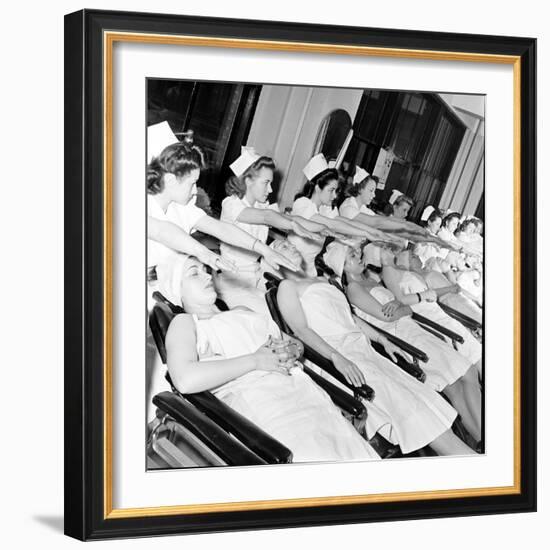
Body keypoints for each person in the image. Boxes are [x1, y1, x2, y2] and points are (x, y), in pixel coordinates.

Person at [157, 254, 380, 463]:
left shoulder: (242, 311)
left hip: (307, 396)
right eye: (194, 273)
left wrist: (292, 350)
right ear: (177, 289)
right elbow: (185, 379)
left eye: (206, 270)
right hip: (268, 410)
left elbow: (294, 343)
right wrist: (255, 360)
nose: (207, 275)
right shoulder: (186, 323)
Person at [267, 242, 476, 455]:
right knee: (411, 407)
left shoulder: (323, 281)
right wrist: (337, 358)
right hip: (341, 360)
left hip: (365, 350)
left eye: (289, 244)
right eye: (282, 247)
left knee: (420, 398)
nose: (290, 247)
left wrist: (383, 340)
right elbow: (301, 331)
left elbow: (353, 319)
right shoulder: (287, 287)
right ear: (270, 258)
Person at [336, 242, 481, 442]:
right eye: (351, 256)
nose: (358, 255)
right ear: (342, 268)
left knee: (457, 383)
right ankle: (484, 435)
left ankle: (481, 436)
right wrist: (402, 308)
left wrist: (401, 307)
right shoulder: (353, 288)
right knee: (464, 375)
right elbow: (387, 317)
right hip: (403, 337)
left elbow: (405, 309)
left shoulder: (371, 281)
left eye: (356, 252)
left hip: (411, 329)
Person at [146, 123, 298, 281]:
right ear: (170, 180)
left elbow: (221, 229)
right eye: (192, 183)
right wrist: (202, 252)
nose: (194, 190)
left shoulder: (181, 208)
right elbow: (162, 231)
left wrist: (266, 250)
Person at [215, 147, 328, 312]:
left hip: (256, 276)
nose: (271, 190)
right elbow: (266, 217)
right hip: (233, 281)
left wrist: (325, 228)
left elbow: (291, 218)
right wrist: (292, 226)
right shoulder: (231, 204)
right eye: (266, 183)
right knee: (272, 317)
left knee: (297, 306)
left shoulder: (261, 204)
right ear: (248, 181)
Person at [288, 154, 404, 276]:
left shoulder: (324, 208)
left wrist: (374, 232)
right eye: (331, 190)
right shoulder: (302, 204)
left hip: (310, 270)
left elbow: (344, 221)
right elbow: (332, 224)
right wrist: (366, 233)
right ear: (317, 187)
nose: (335, 196)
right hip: (291, 264)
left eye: (335, 191)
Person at [381, 249, 482, 374]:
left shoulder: (414, 275)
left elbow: (430, 294)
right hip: (432, 317)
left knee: (475, 351)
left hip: (439, 313)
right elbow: (404, 298)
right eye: (412, 256)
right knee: (472, 354)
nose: (417, 256)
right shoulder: (396, 275)